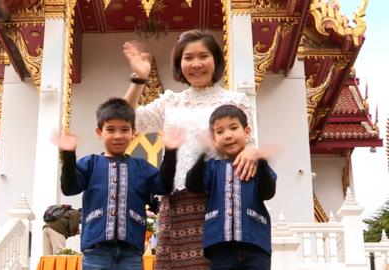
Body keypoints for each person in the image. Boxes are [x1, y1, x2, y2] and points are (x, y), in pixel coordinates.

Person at [123, 29, 260, 269]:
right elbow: (125, 119)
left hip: (221, 200)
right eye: (188, 58)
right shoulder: (171, 102)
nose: (196, 64)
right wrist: (139, 79)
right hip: (176, 203)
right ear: (179, 64)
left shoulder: (235, 101)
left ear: (216, 60)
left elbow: (248, 142)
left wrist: (252, 150)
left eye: (203, 56)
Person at [52, 98, 181, 270]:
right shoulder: (90, 163)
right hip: (95, 251)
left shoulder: (141, 167)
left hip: (131, 253)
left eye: (124, 130)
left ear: (134, 132)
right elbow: (69, 188)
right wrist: (68, 156)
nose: (118, 136)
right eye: (110, 130)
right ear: (99, 132)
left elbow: (164, 186)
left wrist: (171, 153)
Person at [185, 105, 277, 270]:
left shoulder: (257, 166)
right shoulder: (212, 167)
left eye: (233, 128)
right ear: (214, 139)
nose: (227, 135)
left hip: (255, 244)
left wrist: (261, 160)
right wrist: (202, 154)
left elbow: (268, 192)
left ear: (247, 131)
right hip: (220, 247)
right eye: (220, 132)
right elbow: (193, 185)